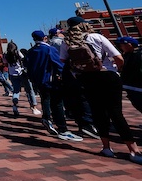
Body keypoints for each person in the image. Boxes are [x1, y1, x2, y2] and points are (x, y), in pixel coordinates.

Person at [60, 17, 142, 163]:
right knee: (116, 113)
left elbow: (64, 61)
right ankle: (133, 151)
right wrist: (117, 68)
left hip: (87, 79)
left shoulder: (67, 42)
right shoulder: (96, 37)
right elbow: (118, 57)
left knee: (98, 113)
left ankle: (106, 148)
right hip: (107, 76)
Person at [26, 31, 82, 142]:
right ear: (45, 38)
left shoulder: (31, 51)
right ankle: (63, 129)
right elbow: (58, 64)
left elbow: (28, 67)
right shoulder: (49, 49)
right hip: (51, 80)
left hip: (38, 81)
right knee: (57, 104)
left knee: (45, 99)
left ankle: (47, 118)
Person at [5, 41, 40, 117]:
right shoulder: (17, 52)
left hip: (12, 74)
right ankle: (34, 107)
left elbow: (5, 63)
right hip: (21, 73)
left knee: (16, 91)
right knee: (29, 90)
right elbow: (24, 59)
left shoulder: (6, 55)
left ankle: (15, 105)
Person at [115, 36, 142, 114]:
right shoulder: (128, 55)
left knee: (138, 103)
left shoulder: (136, 55)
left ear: (129, 45)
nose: (120, 47)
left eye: (122, 45)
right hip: (131, 85)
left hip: (136, 85)